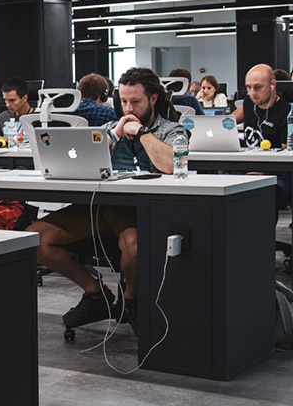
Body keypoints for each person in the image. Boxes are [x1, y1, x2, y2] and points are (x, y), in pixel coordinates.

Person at [28, 68, 187, 329]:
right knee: (36, 238)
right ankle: (95, 293)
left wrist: (142, 132)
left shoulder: (172, 130)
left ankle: (131, 301)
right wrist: (114, 134)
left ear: (153, 99)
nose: (128, 108)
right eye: (123, 101)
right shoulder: (108, 129)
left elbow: (171, 165)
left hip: (138, 212)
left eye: (135, 102)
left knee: (133, 244)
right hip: (99, 208)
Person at [231, 64, 291, 148]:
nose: (252, 93)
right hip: (247, 156)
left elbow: (287, 153)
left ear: (272, 85)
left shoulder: (286, 112)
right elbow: (226, 123)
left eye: (258, 87)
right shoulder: (249, 101)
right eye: (248, 87)